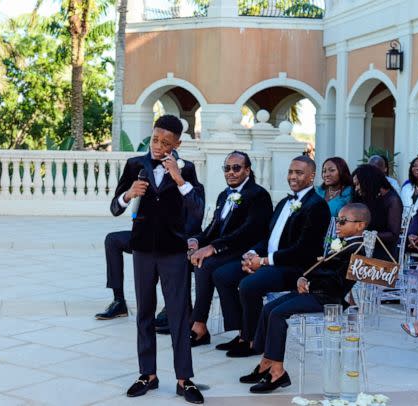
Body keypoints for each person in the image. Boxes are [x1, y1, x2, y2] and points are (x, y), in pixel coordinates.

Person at [111, 115, 205, 404]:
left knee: (178, 315)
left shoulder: (187, 169)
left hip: (174, 252)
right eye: (155, 139)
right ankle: (147, 375)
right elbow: (115, 207)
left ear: (178, 143)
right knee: (144, 313)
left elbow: (198, 210)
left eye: (166, 142)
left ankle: (183, 379)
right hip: (142, 251)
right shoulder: (134, 165)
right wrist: (128, 195)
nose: (158, 146)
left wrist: (178, 179)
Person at [241, 203, 370, 393]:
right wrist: (303, 278)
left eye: (343, 221)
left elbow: (338, 282)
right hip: (315, 291)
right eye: (338, 220)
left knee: (277, 314)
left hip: (327, 299)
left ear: (360, 226)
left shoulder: (358, 251)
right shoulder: (342, 243)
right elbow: (319, 267)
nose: (338, 225)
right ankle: (266, 361)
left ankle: (277, 371)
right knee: (268, 308)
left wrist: (311, 284)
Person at [213, 155, 331, 357]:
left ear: (312, 176)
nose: (293, 177)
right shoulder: (285, 202)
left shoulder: (317, 206)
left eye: (299, 173)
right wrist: (252, 255)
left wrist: (265, 261)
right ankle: (242, 331)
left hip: (296, 268)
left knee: (250, 284)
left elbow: (304, 250)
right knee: (223, 275)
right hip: (272, 261)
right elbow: (268, 237)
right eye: (291, 172)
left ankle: (252, 342)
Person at [187, 151, 273, 347]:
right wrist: (195, 242)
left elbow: (249, 232)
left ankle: (199, 325)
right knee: (186, 261)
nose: (231, 172)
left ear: (248, 170)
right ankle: (186, 319)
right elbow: (213, 228)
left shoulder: (258, 195)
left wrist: (213, 248)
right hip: (228, 250)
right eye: (227, 168)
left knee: (206, 264)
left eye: (236, 168)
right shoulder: (223, 195)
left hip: (248, 251)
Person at [352, 164, 403, 260]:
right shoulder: (366, 195)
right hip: (361, 248)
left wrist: (365, 235)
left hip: (382, 253)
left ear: (369, 181)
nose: (356, 188)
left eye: (358, 184)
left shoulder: (392, 200)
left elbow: (393, 235)